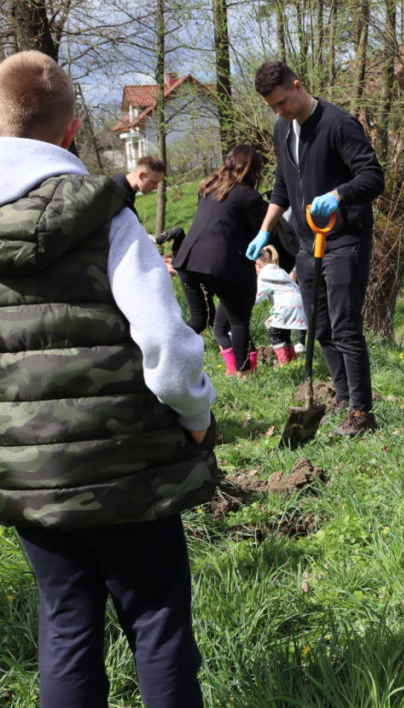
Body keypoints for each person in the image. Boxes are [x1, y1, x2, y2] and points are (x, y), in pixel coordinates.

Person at [0, 51, 216, 708]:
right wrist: (197, 416)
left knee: (65, 628)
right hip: (129, 470)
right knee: (156, 622)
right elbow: (165, 343)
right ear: (71, 131)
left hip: (30, 475)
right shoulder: (110, 218)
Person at [246, 60, 384, 436]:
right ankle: (341, 396)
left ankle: (361, 412)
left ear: (298, 85)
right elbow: (281, 186)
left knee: (344, 325)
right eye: (272, 107)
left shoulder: (338, 123)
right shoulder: (281, 129)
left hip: (344, 240)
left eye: (282, 102)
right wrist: (265, 231)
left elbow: (373, 177)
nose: (279, 111)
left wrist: (339, 194)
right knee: (319, 326)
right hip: (307, 244)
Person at [174, 144, 268, 375]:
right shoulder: (249, 196)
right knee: (238, 320)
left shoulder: (208, 187)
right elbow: (262, 230)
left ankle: (163, 352)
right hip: (219, 264)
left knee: (199, 320)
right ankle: (244, 374)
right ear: (254, 169)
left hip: (188, 260)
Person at [255, 244, 308, 365]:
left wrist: (244, 304)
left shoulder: (264, 275)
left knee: (275, 332)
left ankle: (284, 363)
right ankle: (292, 360)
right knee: (283, 332)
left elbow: (257, 297)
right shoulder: (279, 271)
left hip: (286, 306)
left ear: (258, 264)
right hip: (299, 305)